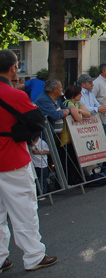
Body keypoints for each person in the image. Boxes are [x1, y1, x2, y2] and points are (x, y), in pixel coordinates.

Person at [0, 49, 58, 272]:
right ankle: (34, 255)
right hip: (12, 157)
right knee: (24, 210)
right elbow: (37, 121)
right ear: (14, 68)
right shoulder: (15, 95)